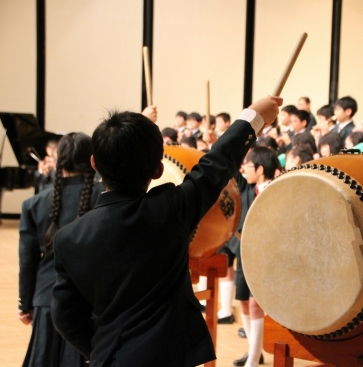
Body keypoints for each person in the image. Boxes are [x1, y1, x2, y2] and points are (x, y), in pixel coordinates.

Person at [50, 96, 281, 367]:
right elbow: (216, 165)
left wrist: (102, 349)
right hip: (170, 356)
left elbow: (65, 316)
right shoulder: (169, 210)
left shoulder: (68, 239)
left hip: (109, 357)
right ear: (160, 169)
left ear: (94, 164)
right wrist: (253, 117)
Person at [19, 133, 104, 367]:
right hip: (93, 300)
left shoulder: (33, 204)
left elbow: (28, 261)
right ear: (91, 160)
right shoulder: (104, 197)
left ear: (59, 160)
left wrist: (25, 304)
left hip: (47, 299)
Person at [233, 147, 281, 367]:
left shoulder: (278, 190)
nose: (245, 169)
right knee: (243, 300)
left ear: (260, 169)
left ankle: (252, 360)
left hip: (267, 254)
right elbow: (230, 167)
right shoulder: (246, 187)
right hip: (245, 250)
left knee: (255, 305)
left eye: (249, 166)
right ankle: (254, 350)